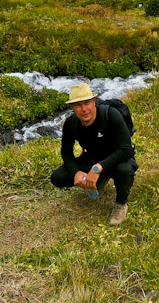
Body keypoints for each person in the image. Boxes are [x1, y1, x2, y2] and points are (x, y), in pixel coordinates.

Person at [50, 83, 138, 226]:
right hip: (93, 157)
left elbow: (126, 149)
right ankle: (99, 179)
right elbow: (66, 152)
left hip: (117, 157)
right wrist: (76, 172)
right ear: (72, 107)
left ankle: (121, 204)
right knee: (58, 177)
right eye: (78, 105)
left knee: (124, 170)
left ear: (94, 101)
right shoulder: (71, 123)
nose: (84, 109)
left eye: (87, 103)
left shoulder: (110, 115)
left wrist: (98, 168)